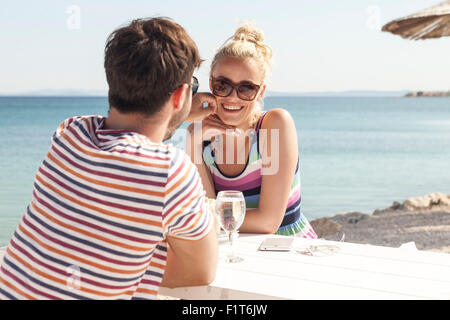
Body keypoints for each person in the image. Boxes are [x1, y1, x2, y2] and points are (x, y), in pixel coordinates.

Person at [0, 17, 219, 300]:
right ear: (179, 95)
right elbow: (200, 271)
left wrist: (174, 113)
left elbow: (124, 137)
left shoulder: (69, 135)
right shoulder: (170, 172)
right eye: (193, 84)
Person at [187, 22, 317, 238]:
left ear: (261, 91)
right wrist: (192, 140)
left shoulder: (274, 125)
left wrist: (212, 219)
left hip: (288, 250)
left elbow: (268, 222)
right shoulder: (200, 133)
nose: (232, 96)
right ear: (211, 84)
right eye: (223, 85)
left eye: (246, 88)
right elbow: (206, 212)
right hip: (233, 249)